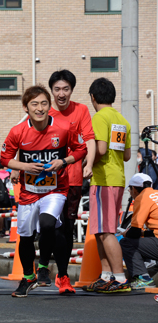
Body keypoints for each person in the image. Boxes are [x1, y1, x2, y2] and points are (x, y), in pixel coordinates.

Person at [1, 85, 87, 297]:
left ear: (49, 106)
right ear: (26, 108)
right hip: (29, 192)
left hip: (55, 189)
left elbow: (80, 148)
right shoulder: (17, 131)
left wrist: (63, 161)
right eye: (34, 104)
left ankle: (43, 266)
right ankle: (28, 277)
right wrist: (24, 166)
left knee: (48, 223)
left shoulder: (64, 127)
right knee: (26, 236)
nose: (40, 108)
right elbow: (5, 157)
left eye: (44, 103)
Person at [34, 70, 96, 288]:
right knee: (48, 225)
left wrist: (89, 163)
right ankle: (42, 264)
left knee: (66, 229)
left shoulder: (81, 110)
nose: (61, 93)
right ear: (51, 91)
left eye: (66, 89)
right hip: (47, 180)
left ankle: (62, 275)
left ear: (72, 90)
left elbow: (89, 139)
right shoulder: (43, 111)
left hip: (73, 179)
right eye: (57, 89)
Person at [84, 77, 131, 293]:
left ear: (93, 97)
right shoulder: (122, 120)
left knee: (106, 231)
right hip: (117, 177)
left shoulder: (99, 118)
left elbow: (100, 149)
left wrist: (85, 162)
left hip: (103, 179)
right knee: (101, 230)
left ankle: (119, 278)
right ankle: (106, 276)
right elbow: (127, 155)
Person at [120, 173, 158, 290]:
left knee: (126, 243)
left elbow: (135, 231)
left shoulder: (141, 198)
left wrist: (126, 233)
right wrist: (143, 233)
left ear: (134, 189)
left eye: (130, 189)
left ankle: (143, 278)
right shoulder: (156, 193)